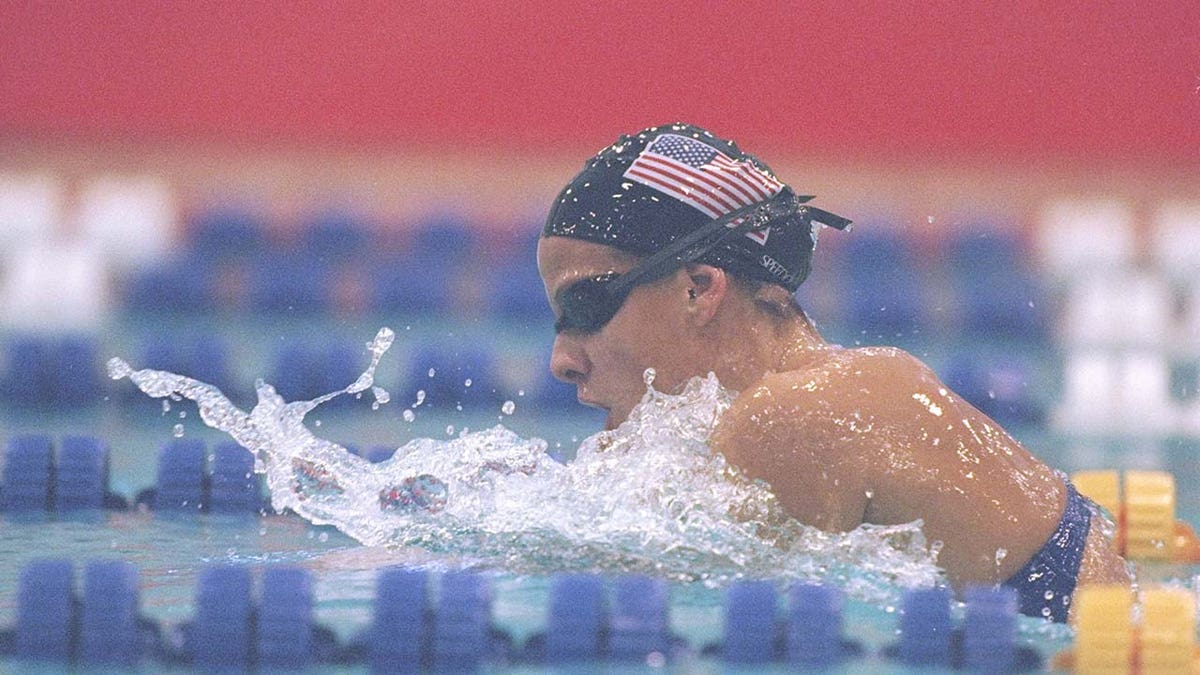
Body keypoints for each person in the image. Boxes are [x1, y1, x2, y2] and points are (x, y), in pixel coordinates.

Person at [535, 122, 1130, 622]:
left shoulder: (792, 416)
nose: (562, 360)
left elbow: (647, 602)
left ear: (698, 289)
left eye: (587, 307)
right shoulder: (830, 390)